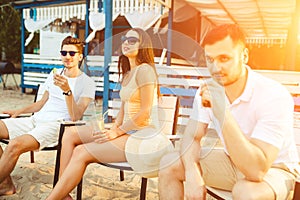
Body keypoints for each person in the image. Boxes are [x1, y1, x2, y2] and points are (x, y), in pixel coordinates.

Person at [158, 24, 299, 199]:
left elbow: (256, 171)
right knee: (168, 164)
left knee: (247, 192)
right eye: (210, 59)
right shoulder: (208, 89)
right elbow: (192, 136)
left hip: (274, 170)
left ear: (244, 56)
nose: (216, 68)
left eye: (224, 58)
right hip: (231, 162)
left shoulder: (273, 95)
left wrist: (221, 109)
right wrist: (193, 174)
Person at [46, 28, 164, 200]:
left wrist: (116, 132)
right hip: (126, 131)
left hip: (143, 135)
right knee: (71, 133)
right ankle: (63, 195)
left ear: (143, 46)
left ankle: (53, 197)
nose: (126, 42)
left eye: (132, 40)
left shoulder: (145, 70)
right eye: (125, 39)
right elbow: (124, 112)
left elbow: (145, 112)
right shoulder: (129, 73)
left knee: (81, 151)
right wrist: (112, 128)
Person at [0, 36, 96, 196]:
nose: (67, 56)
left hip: (57, 126)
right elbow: (41, 103)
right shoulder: (55, 73)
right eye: (64, 52)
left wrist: (67, 90)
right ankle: (5, 183)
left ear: (80, 56)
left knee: (14, 145)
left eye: (72, 53)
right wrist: (19, 111)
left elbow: (76, 116)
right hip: (35, 120)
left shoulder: (87, 83)